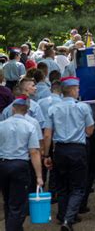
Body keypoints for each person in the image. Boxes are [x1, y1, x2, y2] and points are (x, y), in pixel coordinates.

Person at [42, 77, 94, 230]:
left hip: (59, 150)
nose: (78, 91)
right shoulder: (83, 107)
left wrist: (47, 155)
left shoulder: (53, 108)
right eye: (77, 88)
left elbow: (47, 134)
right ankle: (68, 219)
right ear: (72, 90)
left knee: (62, 186)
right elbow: (90, 130)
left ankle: (63, 215)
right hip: (77, 150)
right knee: (78, 187)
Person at [0, 97, 43, 231]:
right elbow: (34, 152)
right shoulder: (30, 126)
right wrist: (39, 176)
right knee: (17, 204)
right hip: (20, 166)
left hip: (3, 165)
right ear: (27, 110)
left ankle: (12, 227)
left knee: (7, 201)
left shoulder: (1, 125)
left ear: (13, 108)